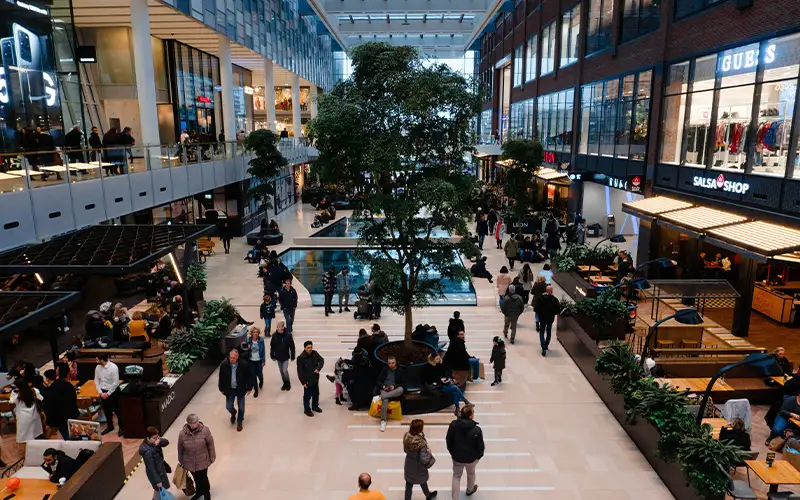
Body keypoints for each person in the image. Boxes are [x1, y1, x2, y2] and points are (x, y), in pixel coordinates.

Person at [446, 405, 484, 500]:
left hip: (457, 457)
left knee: (456, 476)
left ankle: (455, 498)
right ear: (470, 415)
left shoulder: (453, 425)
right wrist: (478, 457)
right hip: (471, 459)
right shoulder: (476, 429)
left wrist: (452, 452)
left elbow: (448, 440)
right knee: (471, 474)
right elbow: (480, 446)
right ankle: (470, 490)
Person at [177, 413, 216, 500]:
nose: (197, 423)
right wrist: (181, 460)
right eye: (195, 422)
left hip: (202, 460)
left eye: (197, 421)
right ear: (189, 424)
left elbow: (210, 444)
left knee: (203, 478)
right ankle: (199, 492)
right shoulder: (182, 434)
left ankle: (207, 495)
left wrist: (212, 457)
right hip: (190, 462)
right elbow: (180, 448)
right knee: (196, 478)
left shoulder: (205, 430)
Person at [218, 348, 252, 432]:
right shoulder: (224, 365)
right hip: (229, 389)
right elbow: (221, 377)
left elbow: (249, 376)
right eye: (230, 357)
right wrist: (221, 388)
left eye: (233, 358)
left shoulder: (244, 365)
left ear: (237, 357)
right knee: (228, 406)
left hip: (240, 388)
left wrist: (249, 387)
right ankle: (233, 412)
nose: (231, 359)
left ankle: (239, 422)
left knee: (241, 407)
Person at [403, 419, 438, 500]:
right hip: (419, 467)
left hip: (409, 464)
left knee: (409, 484)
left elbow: (405, 450)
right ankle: (428, 495)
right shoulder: (421, 443)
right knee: (423, 482)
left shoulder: (406, 437)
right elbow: (424, 459)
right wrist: (429, 452)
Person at [42, 366, 78, 440]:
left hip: (59, 417)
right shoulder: (68, 385)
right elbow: (74, 398)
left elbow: (49, 405)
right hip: (71, 412)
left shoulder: (50, 389)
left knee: (65, 433)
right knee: (73, 432)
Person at [140, 426, 171, 500]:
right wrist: (158, 481)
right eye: (154, 438)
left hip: (160, 469)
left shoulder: (154, 443)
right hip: (156, 474)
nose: (156, 439)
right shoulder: (147, 452)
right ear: (148, 438)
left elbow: (166, 442)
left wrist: (159, 441)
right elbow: (151, 468)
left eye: (157, 437)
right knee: (158, 490)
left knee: (159, 490)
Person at [94, 354, 122, 436]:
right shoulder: (97, 367)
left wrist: (108, 394)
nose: (96, 361)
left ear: (102, 359)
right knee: (106, 411)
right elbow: (96, 380)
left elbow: (116, 383)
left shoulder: (113, 367)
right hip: (103, 391)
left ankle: (122, 428)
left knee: (117, 410)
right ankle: (110, 426)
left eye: (97, 359)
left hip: (113, 391)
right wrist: (100, 392)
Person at [376, 356, 405, 432]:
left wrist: (394, 387)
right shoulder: (385, 370)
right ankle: (383, 421)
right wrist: (383, 386)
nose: (391, 365)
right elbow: (378, 381)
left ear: (396, 362)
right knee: (385, 400)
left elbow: (402, 384)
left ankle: (381, 396)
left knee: (401, 389)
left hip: (394, 389)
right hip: (385, 388)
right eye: (389, 363)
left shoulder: (400, 370)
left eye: (393, 363)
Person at [297, 341, 324, 417]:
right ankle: (307, 409)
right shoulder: (301, 358)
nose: (310, 349)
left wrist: (318, 368)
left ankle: (315, 406)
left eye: (311, 347)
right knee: (307, 396)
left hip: (315, 378)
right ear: (305, 348)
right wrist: (303, 382)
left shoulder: (315, 353)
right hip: (307, 380)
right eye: (308, 348)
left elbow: (321, 360)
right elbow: (300, 371)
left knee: (316, 393)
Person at [270, 321, 296, 391]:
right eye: (278, 327)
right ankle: (284, 383)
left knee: (284, 370)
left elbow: (292, 346)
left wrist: (292, 356)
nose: (279, 328)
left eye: (280, 327)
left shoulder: (288, 335)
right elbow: (272, 346)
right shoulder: (274, 336)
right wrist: (272, 355)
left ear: (283, 327)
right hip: (278, 357)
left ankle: (288, 383)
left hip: (285, 356)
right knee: (281, 371)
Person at [535, 285, 560, 356]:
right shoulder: (554, 300)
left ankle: (543, 347)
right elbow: (557, 310)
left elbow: (536, 308)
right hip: (550, 318)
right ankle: (546, 345)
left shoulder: (540, 298)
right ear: (551, 291)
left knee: (541, 332)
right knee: (548, 332)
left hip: (542, 318)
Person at [246, 327, 266, 397]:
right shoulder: (248, 340)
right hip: (251, 361)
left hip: (259, 360)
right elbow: (244, 349)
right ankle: (256, 389)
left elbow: (263, 351)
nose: (255, 333)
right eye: (254, 332)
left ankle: (261, 380)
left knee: (259, 374)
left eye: (257, 332)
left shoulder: (261, 340)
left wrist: (263, 361)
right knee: (253, 375)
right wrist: (247, 348)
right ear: (251, 333)